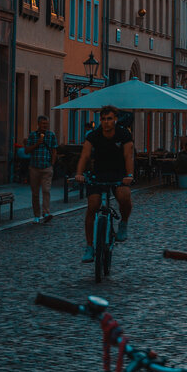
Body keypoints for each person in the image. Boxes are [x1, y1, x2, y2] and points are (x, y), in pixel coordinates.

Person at [75, 106, 134, 262]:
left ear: (115, 119)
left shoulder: (124, 134)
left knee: (124, 196)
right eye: (103, 119)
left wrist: (129, 175)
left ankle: (124, 222)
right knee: (92, 206)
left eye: (109, 119)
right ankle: (89, 246)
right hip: (99, 174)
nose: (106, 122)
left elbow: (128, 155)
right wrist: (79, 173)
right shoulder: (93, 135)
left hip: (119, 174)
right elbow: (85, 155)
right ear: (100, 120)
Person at [25, 115, 58, 225]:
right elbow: (27, 150)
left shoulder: (51, 135)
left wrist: (52, 164)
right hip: (34, 167)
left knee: (46, 190)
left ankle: (46, 213)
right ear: (38, 124)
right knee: (35, 193)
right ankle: (36, 215)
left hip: (46, 167)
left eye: (46, 124)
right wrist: (37, 144)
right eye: (43, 124)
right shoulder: (32, 135)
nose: (45, 126)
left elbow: (54, 150)